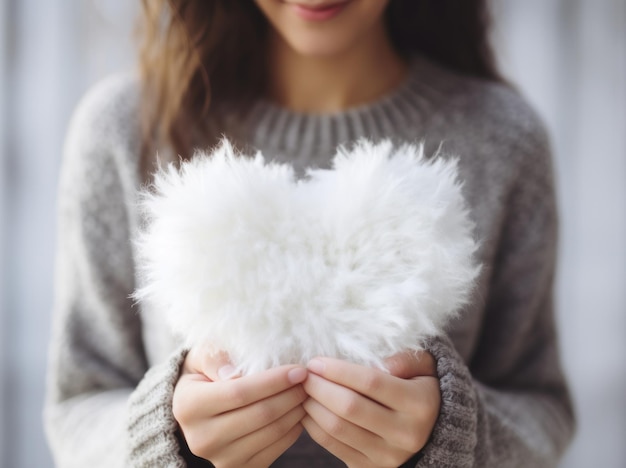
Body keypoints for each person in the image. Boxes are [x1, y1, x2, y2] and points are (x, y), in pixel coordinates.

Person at [44, 0, 576, 466]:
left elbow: (541, 408)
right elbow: (76, 410)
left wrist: (457, 434)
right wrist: (164, 437)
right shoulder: (125, 129)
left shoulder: (501, 137)